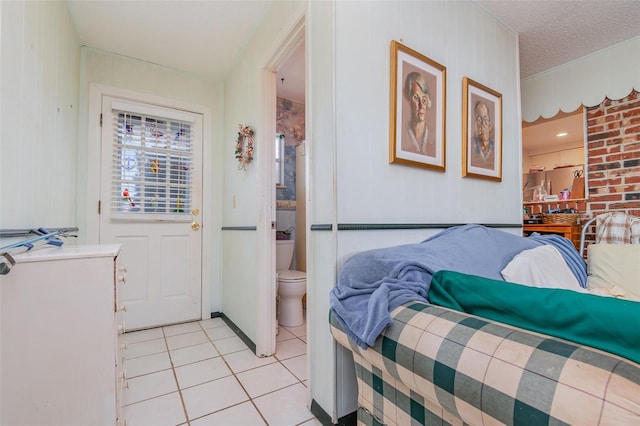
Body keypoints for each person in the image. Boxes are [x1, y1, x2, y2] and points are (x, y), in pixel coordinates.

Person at [401, 72, 434, 157]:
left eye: (424, 99)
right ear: (409, 99)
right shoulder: (402, 137)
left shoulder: (433, 139)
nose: (421, 105)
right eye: (416, 98)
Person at [470, 101, 495, 169]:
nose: (483, 124)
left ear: (489, 124)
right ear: (475, 123)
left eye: (485, 119)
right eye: (479, 120)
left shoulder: (494, 147)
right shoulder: (471, 146)